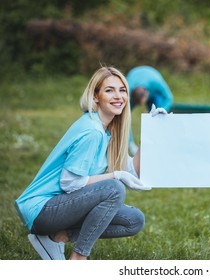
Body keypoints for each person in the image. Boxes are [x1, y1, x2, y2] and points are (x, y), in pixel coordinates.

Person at [15, 66, 167, 260]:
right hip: (42, 211)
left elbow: (130, 170)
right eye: (109, 90)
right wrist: (116, 176)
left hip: (62, 208)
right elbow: (69, 183)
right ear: (95, 97)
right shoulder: (92, 131)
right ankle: (79, 258)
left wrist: (151, 132)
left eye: (122, 90)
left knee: (133, 220)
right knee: (114, 188)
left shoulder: (107, 130)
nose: (118, 96)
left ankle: (56, 238)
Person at [126, 65, 173, 154]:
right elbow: (124, 120)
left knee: (158, 104)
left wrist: (162, 109)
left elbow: (169, 97)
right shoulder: (127, 89)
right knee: (124, 115)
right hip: (134, 75)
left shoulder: (155, 83)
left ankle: (158, 141)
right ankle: (131, 143)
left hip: (152, 75)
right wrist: (131, 143)